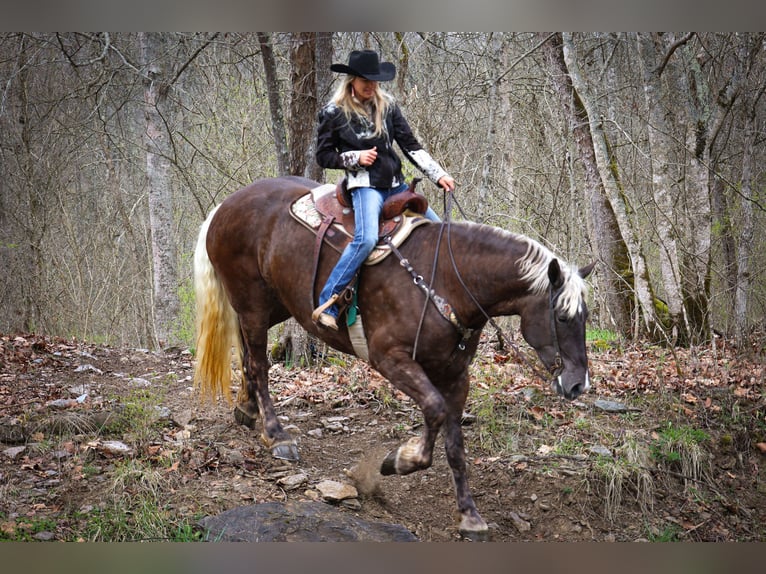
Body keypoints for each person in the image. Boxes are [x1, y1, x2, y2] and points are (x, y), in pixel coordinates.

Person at [312, 49, 456, 331]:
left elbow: (410, 145)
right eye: (365, 80)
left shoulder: (387, 106)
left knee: (441, 232)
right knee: (365, 240)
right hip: (364, 187)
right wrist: (355, 158)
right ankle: (328, 300)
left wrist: (439, 174)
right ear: (352, 79)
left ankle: (444, 301)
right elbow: (323, 156)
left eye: (375, 80)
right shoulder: (334, 113)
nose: (371, 85)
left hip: (395, 186)